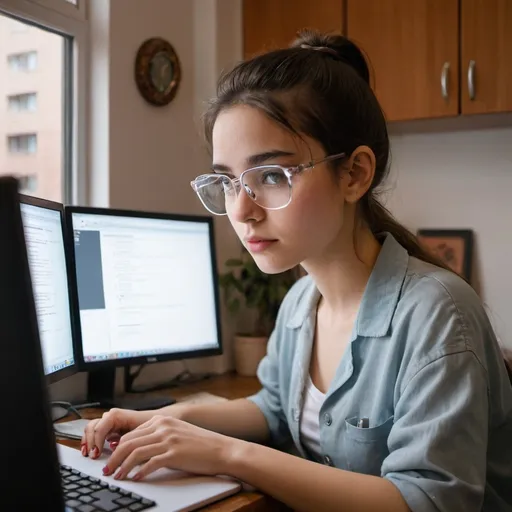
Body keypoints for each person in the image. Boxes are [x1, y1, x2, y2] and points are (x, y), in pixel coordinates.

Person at [82, 30, 512, 511]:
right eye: (227, 181)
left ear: (354, 174)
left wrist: (228, 453)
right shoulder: (300, 303)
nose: (241, 211)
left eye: (271, 175)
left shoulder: (438, 314)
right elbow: (272, 410)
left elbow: (429, 501)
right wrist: (170, 420)